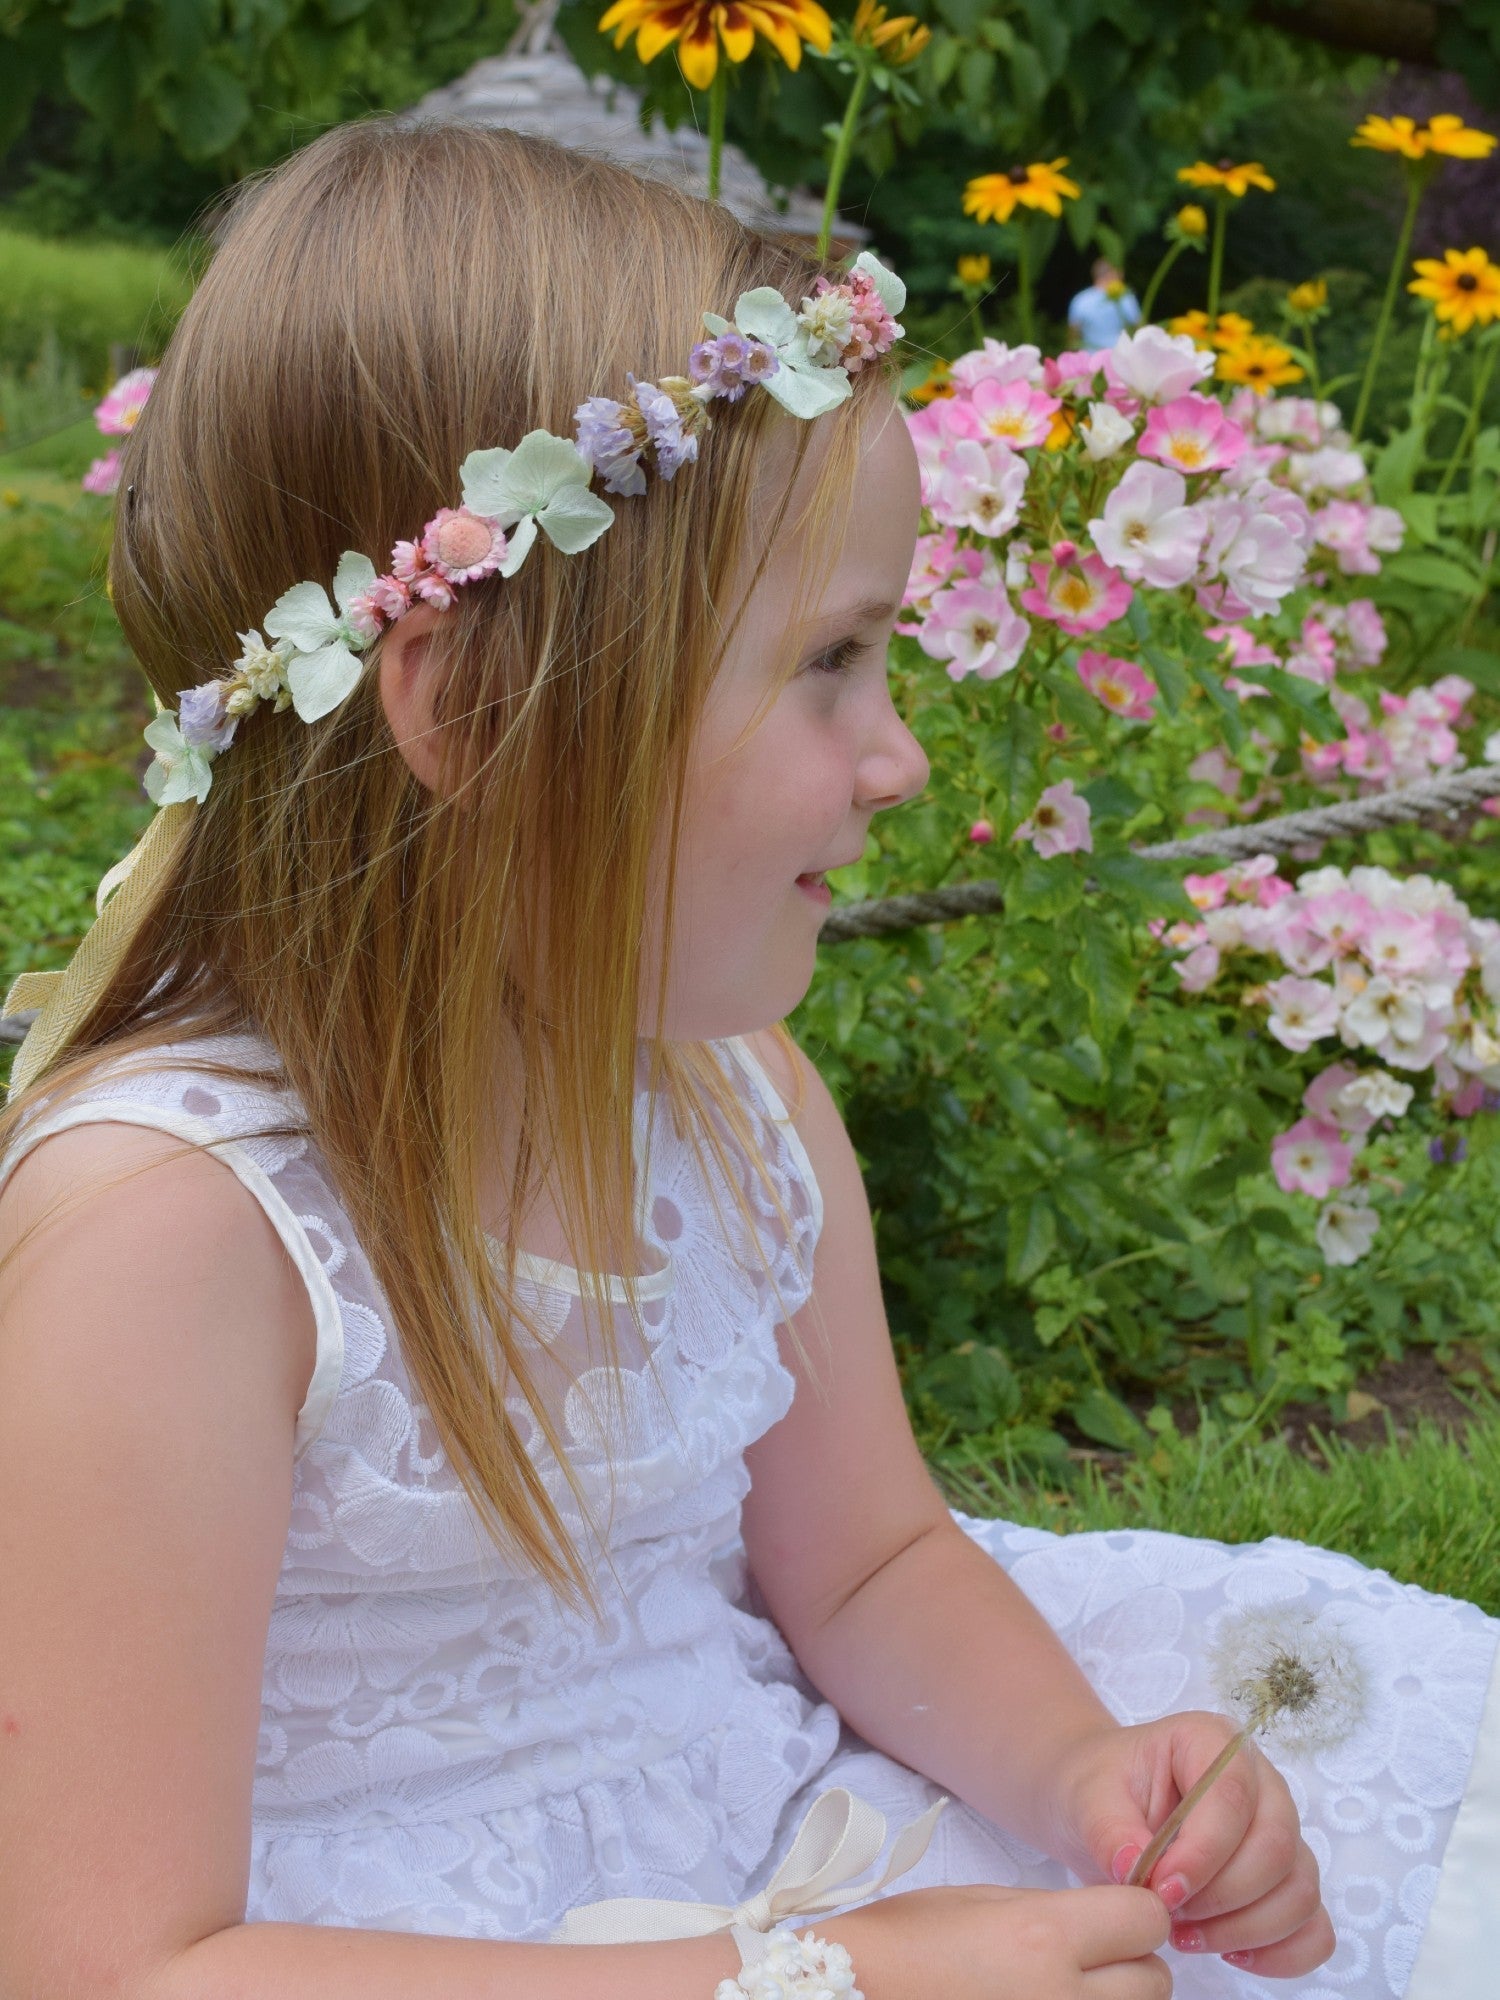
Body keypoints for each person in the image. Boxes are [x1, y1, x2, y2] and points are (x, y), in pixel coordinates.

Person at [0, 119, 1493, 2000]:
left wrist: (1083, 1770)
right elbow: (103, 1965)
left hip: (737, 1809)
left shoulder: (728, 1100)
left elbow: (863, 1564)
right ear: (476, 714)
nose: (903, 759)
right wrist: (824, 1979)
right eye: (831, 664)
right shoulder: (176, 1236)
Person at [1068, 259, 1142, 349]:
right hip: (1120, 357)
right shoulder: (1125, 297)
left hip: (1091, 359)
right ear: (1112, 274)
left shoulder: (1080, 300)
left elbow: (1073, 337)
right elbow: (1140, 330)